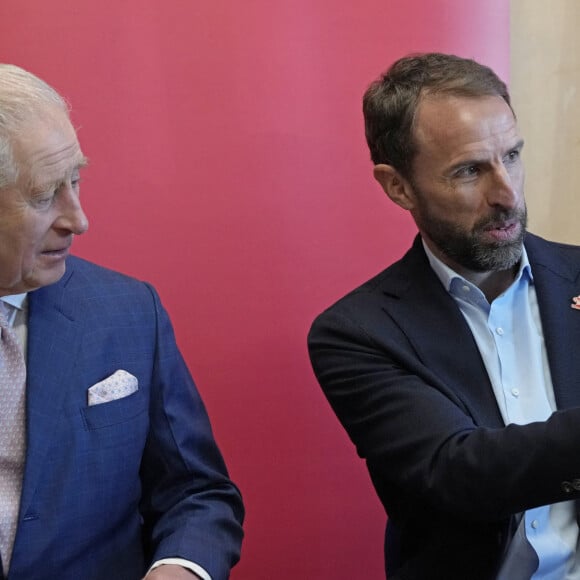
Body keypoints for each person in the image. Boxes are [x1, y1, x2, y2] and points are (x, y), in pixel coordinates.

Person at [308, 52, 580, 579]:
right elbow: (458, 473)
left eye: (513, 156)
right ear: (398, 186)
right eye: (469, 171)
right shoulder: (359, 332)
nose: (507, 194)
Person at [0, 64, 243, 580]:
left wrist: (179, 568)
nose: (78, 219)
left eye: (76, 179)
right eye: (45, 196)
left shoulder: (127, 312)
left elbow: (197, 495)